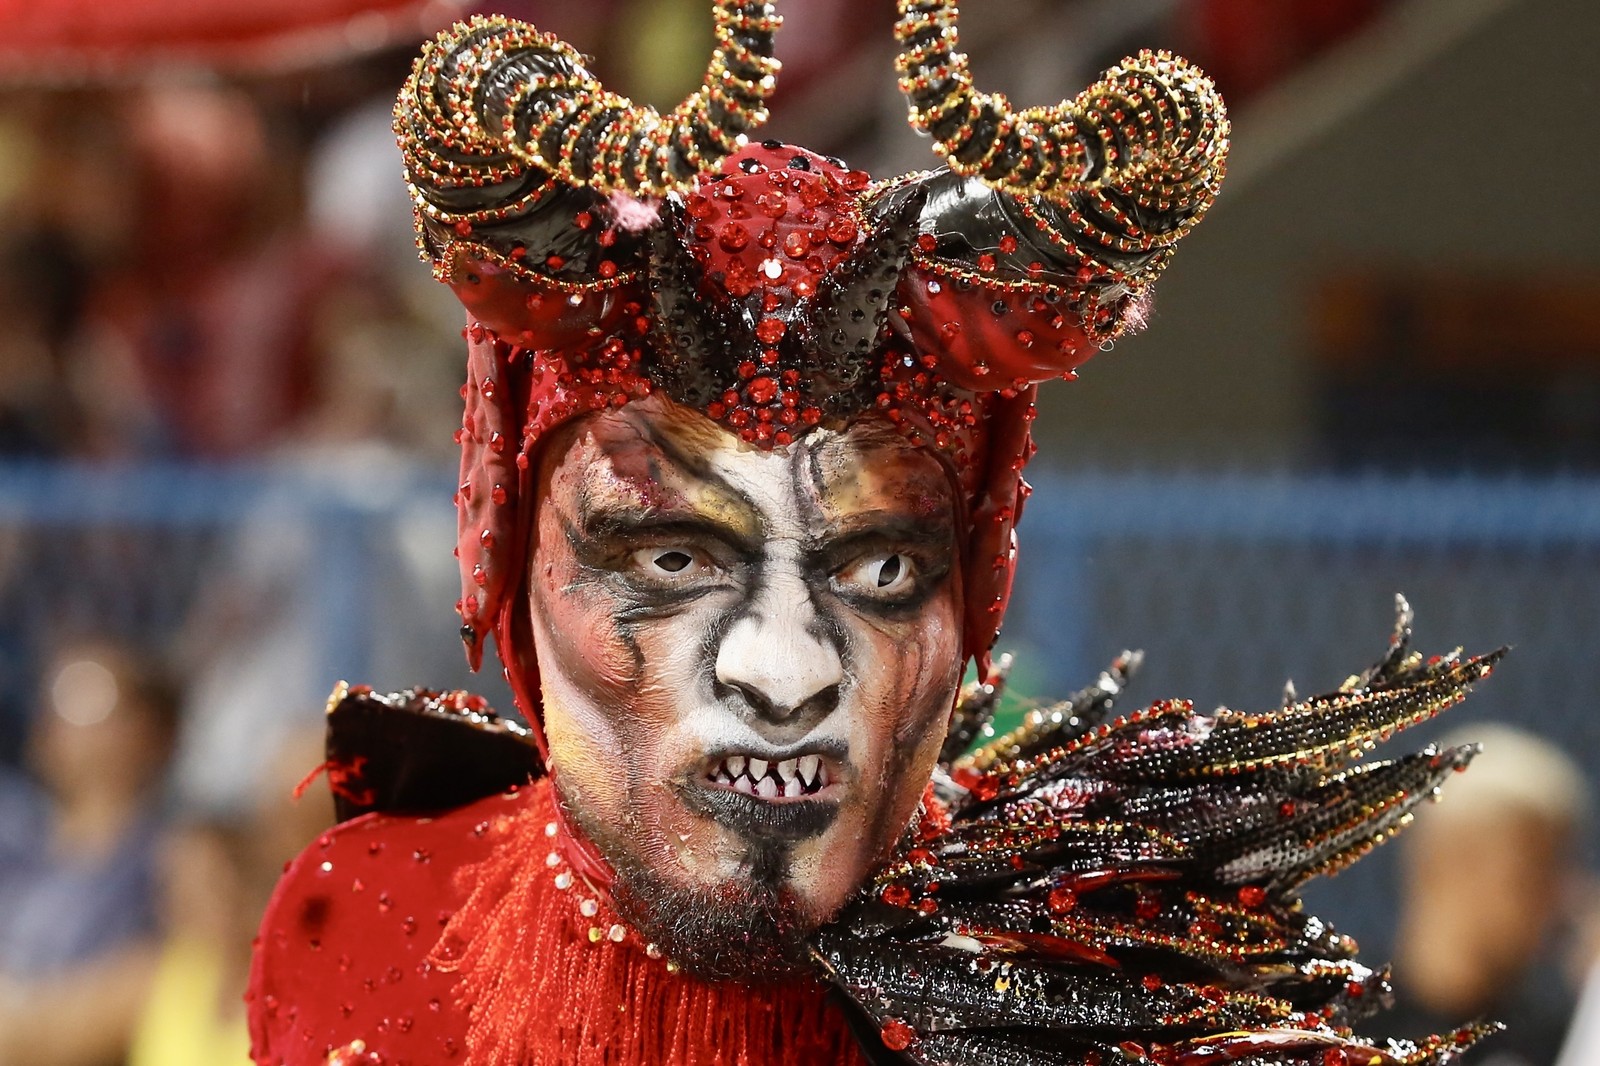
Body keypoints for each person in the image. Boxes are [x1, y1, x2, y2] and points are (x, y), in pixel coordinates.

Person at [248, 3, 1503, 1063]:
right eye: (671, 558)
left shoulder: (1106, 1002)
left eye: (880, 567)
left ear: (973, 588)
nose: (784, 669)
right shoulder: (368, 927)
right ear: (515, 552)